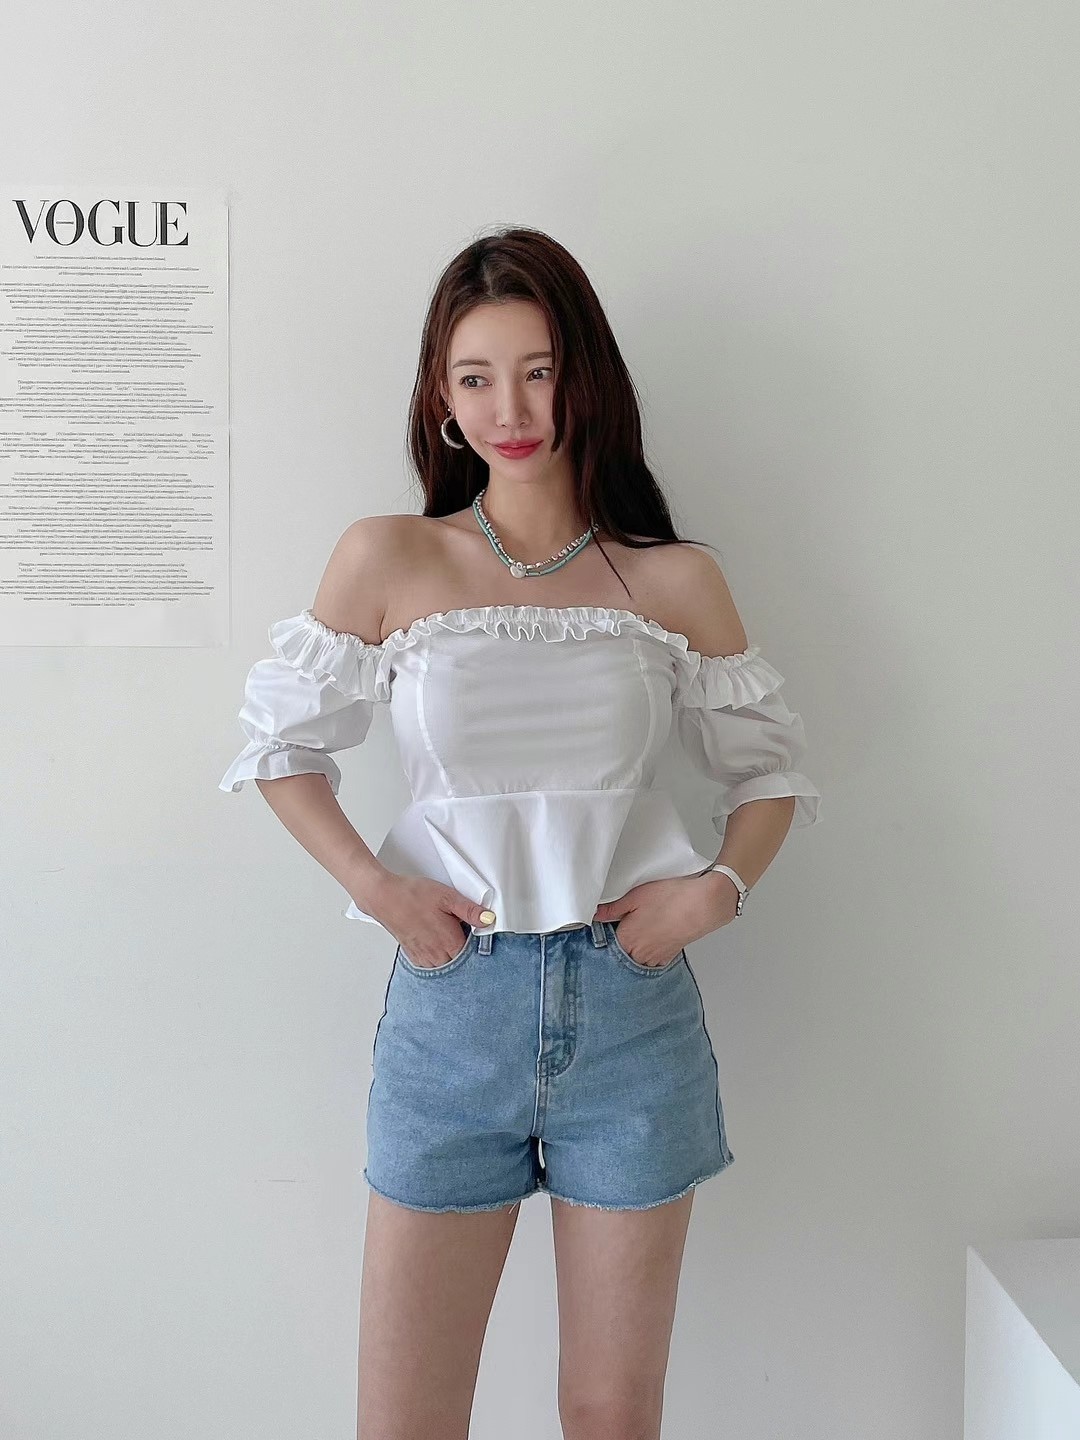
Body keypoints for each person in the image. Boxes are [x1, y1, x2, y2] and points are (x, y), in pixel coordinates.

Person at [219, 227, 822, 1440]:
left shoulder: (671, 580)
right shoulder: (390, 556)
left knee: (610, 1416)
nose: (511, 408)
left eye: (539, 371)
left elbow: (771, 774)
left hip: (632, 1016)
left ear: (585, 376)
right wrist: (380, 890)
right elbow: (280, 749)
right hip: (454, 1011)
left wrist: (714, 892)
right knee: (407, 1419)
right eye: (476, 377)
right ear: (441, 401)